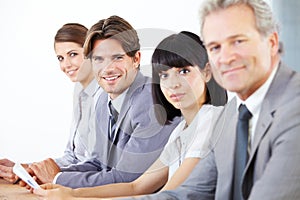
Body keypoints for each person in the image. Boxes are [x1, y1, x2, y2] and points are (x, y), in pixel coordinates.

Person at [116, 0, 300, 199]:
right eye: (214, 47)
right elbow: (185, 194)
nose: (225, 58)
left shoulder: (293, 109)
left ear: (271, 43)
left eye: (238, 41)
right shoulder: (231, 116)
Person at [33, 31, 227, 199]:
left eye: (184, 71)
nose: (173, 84)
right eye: (164, 75)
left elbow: (166, 195)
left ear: (207, 73)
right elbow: (138, 186)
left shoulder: (210, 119)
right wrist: (70, 193)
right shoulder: (180, 131)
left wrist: (74, 198)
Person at [28, 15, 180, 189]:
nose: (108, 69)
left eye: (117, 58)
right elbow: (98, 164)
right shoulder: (102, 100)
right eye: (99, 59)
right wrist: (44, 175)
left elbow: (127, 178)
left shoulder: (151, 102)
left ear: (136, 59)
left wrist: (57, 179)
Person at [0, 23, 102, 184]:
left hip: (92, 184)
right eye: (61, 58)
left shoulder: (106, 96)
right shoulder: (80, 92)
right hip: (75, 179)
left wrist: (39, 173)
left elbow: (98, 165)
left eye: (73, 54)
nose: (66, 65)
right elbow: (72, 156)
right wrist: (23, 167)